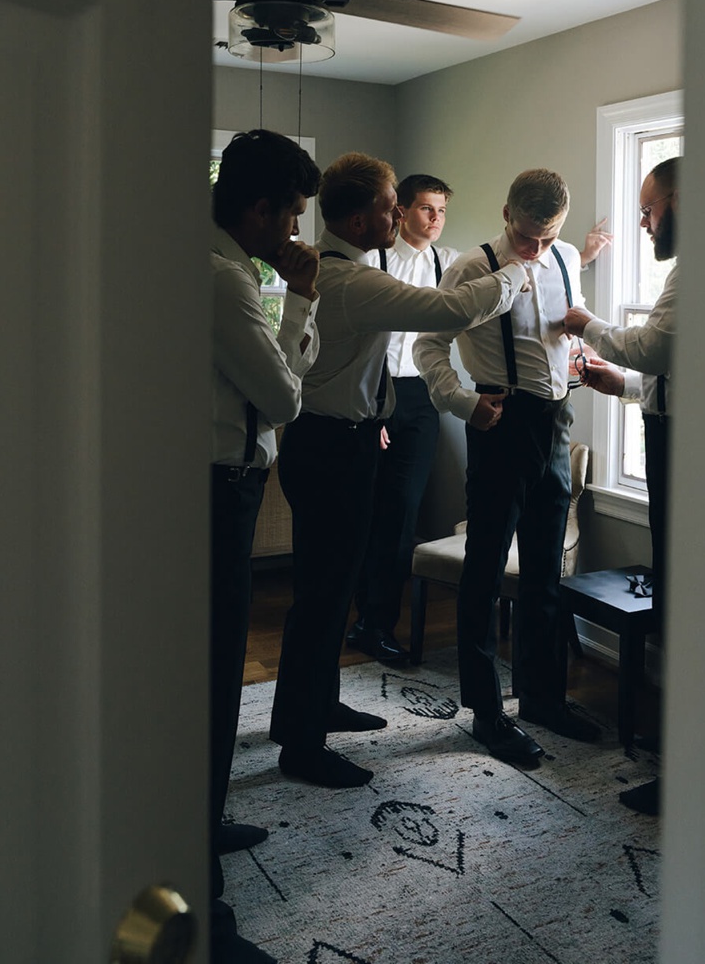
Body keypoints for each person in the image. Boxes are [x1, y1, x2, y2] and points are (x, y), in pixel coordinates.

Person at [271, 153, 531, 789]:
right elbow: (450, 311)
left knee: (324, 591)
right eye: (393, 206)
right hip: (334, 449)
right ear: (361, 221)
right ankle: (302, 748)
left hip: (329, 442)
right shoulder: (353, 283)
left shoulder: (340, 272)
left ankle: (308, 711)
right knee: (325, 593)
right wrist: (519, 267)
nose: (400, 215)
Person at [416, 169, 603, 768]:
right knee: (486, 569)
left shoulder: (567, 256)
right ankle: (486, 713)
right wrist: (464, 404)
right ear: (505, 215)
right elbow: (428, 346)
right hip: (498, 425)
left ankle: (543, 698)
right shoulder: (471, 269)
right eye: (527, 238)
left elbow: (561, 331)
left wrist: (582, 356)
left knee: (546, 573)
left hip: (556, 424)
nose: (536, 250)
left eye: (547, 238)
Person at [209, 129, 322, 964]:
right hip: (216, 492)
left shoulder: (226, 268)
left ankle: (203, 822)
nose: (293, 231)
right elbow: (283, 397)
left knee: (214, 663)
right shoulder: (222, 279)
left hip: (224, 487)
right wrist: (305, 300)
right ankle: (202, 909)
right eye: (288, 214)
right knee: (213, 673)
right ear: (259, 208)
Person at [564, 155, 679, 814]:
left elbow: (658, 346)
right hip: (668, 439)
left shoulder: (698, 269)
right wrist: (626, 385)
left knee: (686, 595)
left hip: (685, 455)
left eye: (651, 208)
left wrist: (585, 323)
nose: (643, 221)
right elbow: (681, 368)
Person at [346, 173, 461, 664]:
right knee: (364, 510)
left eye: (441, 210)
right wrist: (375, 408)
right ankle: (357, 617)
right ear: (402, 212)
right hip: (376, 391)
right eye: (425, 209)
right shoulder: (374, 259)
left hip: (424, 396)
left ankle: (378, 624)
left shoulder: (449, 262)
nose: (435, 219)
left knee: (402, 513)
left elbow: (501, 282)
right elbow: (363, 341)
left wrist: (578, 259)